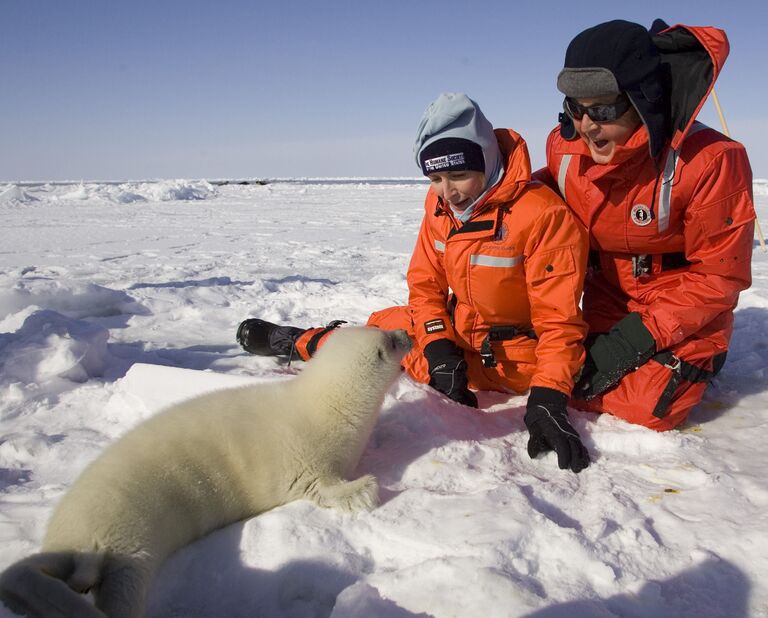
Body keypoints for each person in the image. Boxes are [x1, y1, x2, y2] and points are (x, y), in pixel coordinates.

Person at [237, 93, 591, 472]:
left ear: (487, 160)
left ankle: (307, 345)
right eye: (435, 178)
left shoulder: (543, 216)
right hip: (459, 330)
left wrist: (548, 397)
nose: (447, 191)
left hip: (515, 356)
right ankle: (300, 341)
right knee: (383, 322)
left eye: (458, 175)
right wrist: (439, 344)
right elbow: (424, 283)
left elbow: (559, 321)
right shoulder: (440, 207)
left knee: (387, 350)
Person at [534, 19, 756, 431]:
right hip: (605, 300)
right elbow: (532, 213)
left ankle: (708, 354)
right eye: (575, 109)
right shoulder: (563, 150)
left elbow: (720, 275)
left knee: (644, 408)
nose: (585, 126)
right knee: (549, 376)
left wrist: (634, 340)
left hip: (682, 307)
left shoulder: (711, 161)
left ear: (644, 99)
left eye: (602, 109)